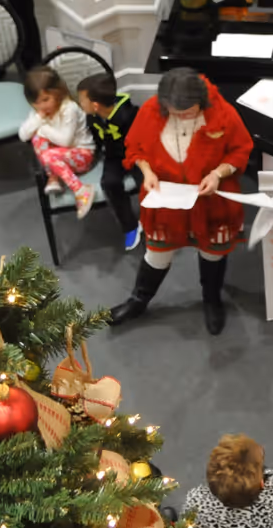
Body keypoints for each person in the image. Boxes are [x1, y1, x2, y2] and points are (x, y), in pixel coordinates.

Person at [109, 68, 254, 335]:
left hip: (210, 201)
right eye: (175, 113)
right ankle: (139, 300)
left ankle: (212, 300)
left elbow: (241, 149)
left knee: (212, 252)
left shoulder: (223, 112)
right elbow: (135, 146)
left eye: (188, 113)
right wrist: (147, 172)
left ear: (202, 102)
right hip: (166, 201)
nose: (181, 118)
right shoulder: (152, 110)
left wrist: (217, 173)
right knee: (157, 252)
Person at [20, 67, 96, 219]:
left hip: (82, 155)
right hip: (59, 156)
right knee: (36, 138)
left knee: (42, 144)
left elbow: (65, 141)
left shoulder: (69, 108)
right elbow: (23, 135)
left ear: (57, 92)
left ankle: (81, 190)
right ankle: (53, 176)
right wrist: (38, 120)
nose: (41, 106)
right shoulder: (39, 114)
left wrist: (42, 129)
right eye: (36, 103)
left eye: (46, 100)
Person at [77, 73, 141, 253]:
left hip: (137, 155)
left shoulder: (129, 114)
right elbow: (96, 141)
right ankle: (130, 226)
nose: (80, 105)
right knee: (109, 182)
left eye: (82, 101)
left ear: (95, 105)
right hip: (114, 157)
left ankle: (156, 221)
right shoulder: (92, 117)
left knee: (147, 184)